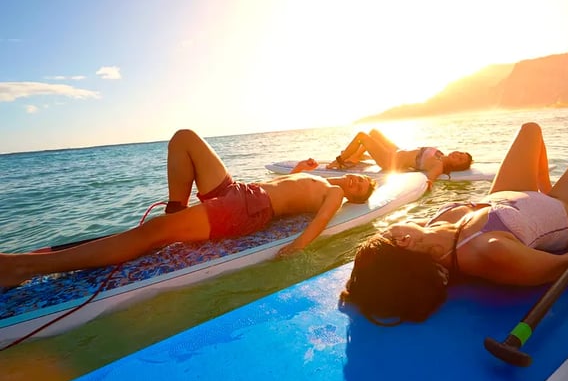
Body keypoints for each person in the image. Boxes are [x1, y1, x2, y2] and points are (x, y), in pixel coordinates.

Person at [0, 129, 376, 288]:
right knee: (184, 139)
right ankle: (177, 211)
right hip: (239, 191)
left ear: (355, 196)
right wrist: (301, 169)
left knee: (148, 236)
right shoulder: (319, 179)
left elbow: (320, 221)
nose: (357, 181)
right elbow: (287, 186)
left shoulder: (334, 194)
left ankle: (24, 267)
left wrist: (297, 248)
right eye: (359, 179)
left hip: (248, 210)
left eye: (362, 186)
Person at [340, 122, 568, 325]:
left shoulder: (430, 231)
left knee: (531, 130)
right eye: (390, 232)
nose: (392, 228)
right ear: (404, 242)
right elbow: (558, 268)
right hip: (565, 212)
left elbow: (381, 270)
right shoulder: (489, 252)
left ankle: (548, 185)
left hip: (508, 199)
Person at [327, 129, 473, 186]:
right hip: (395, 151)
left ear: (456, 166)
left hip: (389, 161)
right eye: (460, 153)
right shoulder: (439, 154)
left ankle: (338, 161)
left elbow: (429, 181)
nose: (458, 155)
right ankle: (355, 157)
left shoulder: (438, 166)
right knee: (374, 132)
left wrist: (425, 185)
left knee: (362, 136)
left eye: (460, 159)